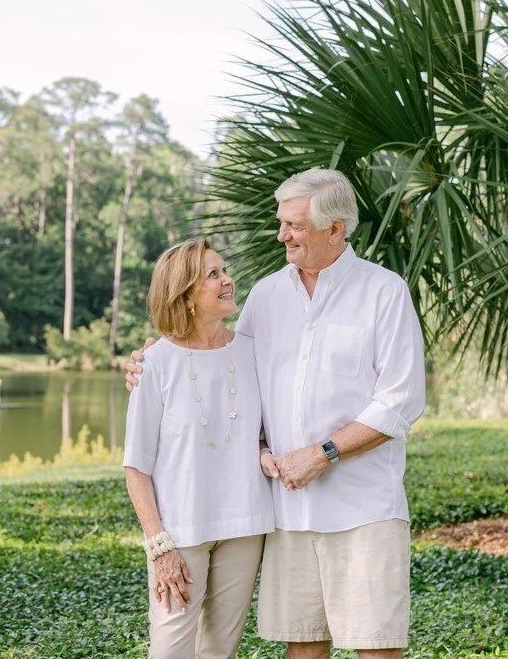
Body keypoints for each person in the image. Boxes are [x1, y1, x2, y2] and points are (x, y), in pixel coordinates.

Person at [126, 169, 425, 659]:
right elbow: (220, 361)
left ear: (335, 229)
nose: (282, 234)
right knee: (303, 646)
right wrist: (150, 360)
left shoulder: (384, 292)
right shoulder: (265, 296)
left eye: (295, 226)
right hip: (286, 514)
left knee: (376, 647)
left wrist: (323, 454)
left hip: (363, 511)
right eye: (281, 222)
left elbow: (401, 401)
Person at [123, 237, 273, 659]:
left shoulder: (251, 351)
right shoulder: (155, 362)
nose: (228, 280)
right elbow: (136, 464)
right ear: (186, 295)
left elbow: (260, 432)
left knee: (220, 651)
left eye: (224, 270)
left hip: (244, 525)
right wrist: (159, 544)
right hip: (181, 531)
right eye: (213, 275)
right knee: (171, 650)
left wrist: (264, 454)